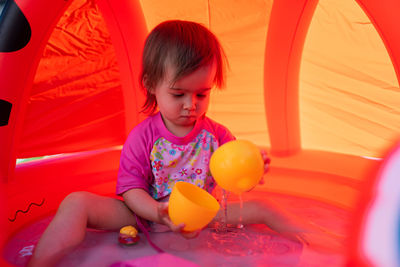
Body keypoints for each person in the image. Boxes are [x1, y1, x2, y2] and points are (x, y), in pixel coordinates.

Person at [28, 20, 305, 267]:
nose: (191, 105)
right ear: (151, 84)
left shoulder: (217, 135)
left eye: (202, 94)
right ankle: (41, 262)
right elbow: (131, 190)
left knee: (266, 208)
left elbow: (232, 181)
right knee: (77, 203)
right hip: (145, 214)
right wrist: (157, 213)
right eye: (178, 94)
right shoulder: (143, 137)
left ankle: (316, 250)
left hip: (202, 215)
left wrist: (252, 171)